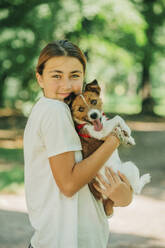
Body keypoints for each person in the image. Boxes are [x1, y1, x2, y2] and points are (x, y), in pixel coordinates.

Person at [23, 40, 133, 248]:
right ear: (40, 78)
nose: (66, 85)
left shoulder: (71, 115)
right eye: (56, 76)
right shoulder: (54, 111)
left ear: (83, 77)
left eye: (74, 76)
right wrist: (114, 139)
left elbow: (116, 192)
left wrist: (121, 195)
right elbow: (69, 184)